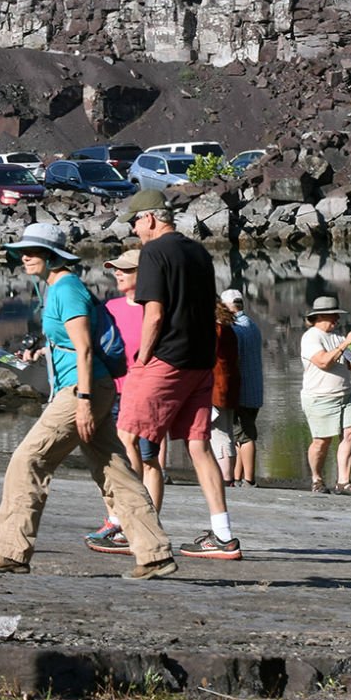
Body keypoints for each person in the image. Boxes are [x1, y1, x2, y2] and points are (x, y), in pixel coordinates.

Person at [0, 223, 176, 581]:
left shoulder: (66, 288)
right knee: (114, 470)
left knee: (27, 461)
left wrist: (83, 401)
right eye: (23, 250)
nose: (25, 257)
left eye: (34, 251)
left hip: (81, 390)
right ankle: (155, 554)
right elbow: (71, 344)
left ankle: (12, 552)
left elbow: (85, 349)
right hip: (89, 388)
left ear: (53, 256)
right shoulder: (56, 289)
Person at [117, 190, 242, 560]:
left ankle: (132, 529)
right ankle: (223, 536)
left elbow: (154, 314)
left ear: (151, 219)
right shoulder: (199, 252)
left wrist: (142, 355)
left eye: (135, 221)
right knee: (198, 446)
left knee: (127, 436)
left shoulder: (154, 252)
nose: (135, 229)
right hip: (201, 360)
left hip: (166, 359)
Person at [85, 248, 164, 553]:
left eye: (125, 270)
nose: (117, 273)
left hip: (146, 393)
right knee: (113, 459)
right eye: (115, 269)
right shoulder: (111, 306)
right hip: (111, 392)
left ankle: (146, 522)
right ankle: (118, 518)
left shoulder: (156, 310)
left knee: (148, 458)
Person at [300, 295, 351, 495]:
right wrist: (345, 343)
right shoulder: (311, 337)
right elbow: (323, 362)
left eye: (337, 316)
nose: (337, 320)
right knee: (322, 441)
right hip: (320, 397)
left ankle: (343, 481)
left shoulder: (338, 337)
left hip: (345, 395)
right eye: (333, 316)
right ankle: (317, 479)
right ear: (320, 316)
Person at [221, 287, 264, 486]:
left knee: (245, 436)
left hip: (241, 389)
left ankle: (249, 479)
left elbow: (234, 360)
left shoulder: (236, 329)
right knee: (239, 434)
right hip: (255, 389)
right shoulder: (253, 326)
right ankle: (237, 477)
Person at [209, 296, 241, 483]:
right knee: (227, 431)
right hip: (230, 385)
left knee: (219, 434)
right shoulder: (230, 330)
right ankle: (229, 475)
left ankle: (225, 476)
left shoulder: (215, 331)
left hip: (215, 387)